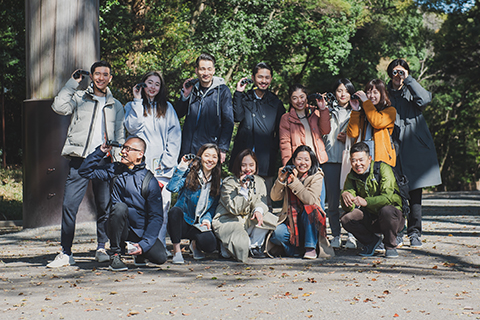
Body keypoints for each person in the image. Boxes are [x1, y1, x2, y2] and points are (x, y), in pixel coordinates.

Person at [48, 61, 125, 268]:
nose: (101, 77)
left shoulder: (116, 105)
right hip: (80, 159)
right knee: (69, 205)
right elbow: (58, 107)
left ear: (110, 78)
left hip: (104, 160)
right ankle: (66, 252)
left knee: (104, 206)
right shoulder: (80, 97)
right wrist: (72, 84)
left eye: (105, 74)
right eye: (97, 74)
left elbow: (119, 133)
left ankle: (101, 247)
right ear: (91, 76)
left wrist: (117, 160)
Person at [78, 137, 167, 271]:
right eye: (123, 148)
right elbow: (84, 171)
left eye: (128, 149)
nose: (123, 152)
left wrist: (143, 244)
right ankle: (115, 254)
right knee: (120, 207)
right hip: (116, 225)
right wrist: (101, 151)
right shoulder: (114, 169)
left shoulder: (149, 181)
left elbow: (156, 216)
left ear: (140, 154)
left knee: (160, 257)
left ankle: (139, 253)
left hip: (139, 231)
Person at [387, 59, 442, 248]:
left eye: (401, 72)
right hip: (393, 147)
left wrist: (408, 80)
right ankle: (399, 232)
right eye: (395, 72)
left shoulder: (412, 90)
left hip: (414, 148)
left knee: (415, 194)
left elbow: (425, 99)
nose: (398, 75)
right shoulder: (386, 94)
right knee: (396, 194)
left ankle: (415, 232)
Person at [124, 71, 181, 252]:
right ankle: (138, 246)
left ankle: (159, 245)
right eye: (149, 83)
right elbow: (132, 127)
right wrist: (137, 102)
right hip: (139, 168)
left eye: (157, 84)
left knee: (161, 210)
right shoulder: (132, 106)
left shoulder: (168, 108)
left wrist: (167, 163)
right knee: (138, 208)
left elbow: (174, 137)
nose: (153, 87)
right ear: (143, 84)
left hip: (161, 168)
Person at [230, 62, 285, 202]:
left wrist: (275, 148)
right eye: (260, 77)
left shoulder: (275, 103)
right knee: (240, 197)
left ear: (271, 79)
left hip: (266, 156)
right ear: (253, 78)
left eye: (267, 77)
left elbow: (281, 130)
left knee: (264, 199)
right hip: (243, 152)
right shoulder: (244, 98)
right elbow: (237, 117)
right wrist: (238, 92)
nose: (264, 81)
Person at [267, 145, 334, 259]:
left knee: (310, 210)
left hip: (311, 222)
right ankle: (294, 250)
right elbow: (274, 197)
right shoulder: (288, 175)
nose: (302, 163)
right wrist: (281, 180)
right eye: (299, 159)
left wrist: (295, 182)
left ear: (311, 162)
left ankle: (310, 248)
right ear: (293, 160)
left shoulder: (316, 176)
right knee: (277, 235)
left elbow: (310, 199)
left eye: (306, 160)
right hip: (291, 222)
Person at [340, 142, 405, 258]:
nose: (357, 164)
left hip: (393, 218)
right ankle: (371, 242)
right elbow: (348, 208)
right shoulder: (351, 176)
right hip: (371, 217)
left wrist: (366, 202)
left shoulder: (383, 169)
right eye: (354, 160)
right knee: (346, 218)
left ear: (369, 159)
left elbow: (388, 197)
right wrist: (344, 196)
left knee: (387, 211)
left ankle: (390, 245)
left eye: (361, 160)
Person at [213, 149, 278, 263]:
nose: (248, 169)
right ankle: (229, 246)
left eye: (251, 165)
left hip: (248, 219)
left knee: (268, 218)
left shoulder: (259, 181)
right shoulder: (229, 182)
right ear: (238, 166)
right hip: (230, 220)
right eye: (244, 165)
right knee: (242, 246)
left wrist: (258, 210)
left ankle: (254, 246)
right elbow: (235, 209)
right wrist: (243, 188)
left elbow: (261, 201)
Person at [166, 144, 221, 264]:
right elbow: (172, 188)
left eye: (214, 157)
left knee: (210, 246)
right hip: (183, 222)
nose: (210, 160)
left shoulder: (217, 181)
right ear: (200, 157)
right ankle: (177, 250)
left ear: (218, 160)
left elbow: (213, 207)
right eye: (207, 156)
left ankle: (194, 245)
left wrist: (207, 219)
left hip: (198, 223)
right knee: (174, 211)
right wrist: (182, 167)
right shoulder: (190, 174)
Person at [279, 84, 331, 210]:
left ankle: (320, 228)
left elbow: (326, 130)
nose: (299, 101)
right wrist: (288, 167)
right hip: (298, 165)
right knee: (300, 203)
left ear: (306, 97)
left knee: (318, 200)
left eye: (302, 96)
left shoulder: (315, 112)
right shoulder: (286, 118)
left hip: (315, 162)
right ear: (290, 100)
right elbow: (285, 144)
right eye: (295, 98)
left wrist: (323, 109)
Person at [175, 53, 234, 163]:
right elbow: (177, 114)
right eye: (202, 69)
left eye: (209, 69)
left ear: (214, 70)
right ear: (197, 70)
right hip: (187, 148)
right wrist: (185, 96)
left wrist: (223, 148)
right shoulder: (191, 88)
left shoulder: (222, 91)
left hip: (209, 149)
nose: (206, 73)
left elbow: (228, 121)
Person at [322, 79, 357, 249]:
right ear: (334, 93)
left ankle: (352, 235)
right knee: (333, 201)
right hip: (329, 160)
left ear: (351, 93)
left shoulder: (356, 111)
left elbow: (361, 135)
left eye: (346, 91)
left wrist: (349, 137)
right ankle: (335, 234)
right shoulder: (326, 111)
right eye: (339, 90)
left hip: (349, 161)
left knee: (350, 199)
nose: (343, 94)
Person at [347, 79, 396, 167]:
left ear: (382, 94)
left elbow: (376, 122)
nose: (371, 96)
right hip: (363, 156)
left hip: (382, 159)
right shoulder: (363, 113)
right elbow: (353, 134)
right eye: (368, 93)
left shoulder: (390, 111)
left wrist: (366, 102)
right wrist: (355, 110)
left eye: (375, 92)